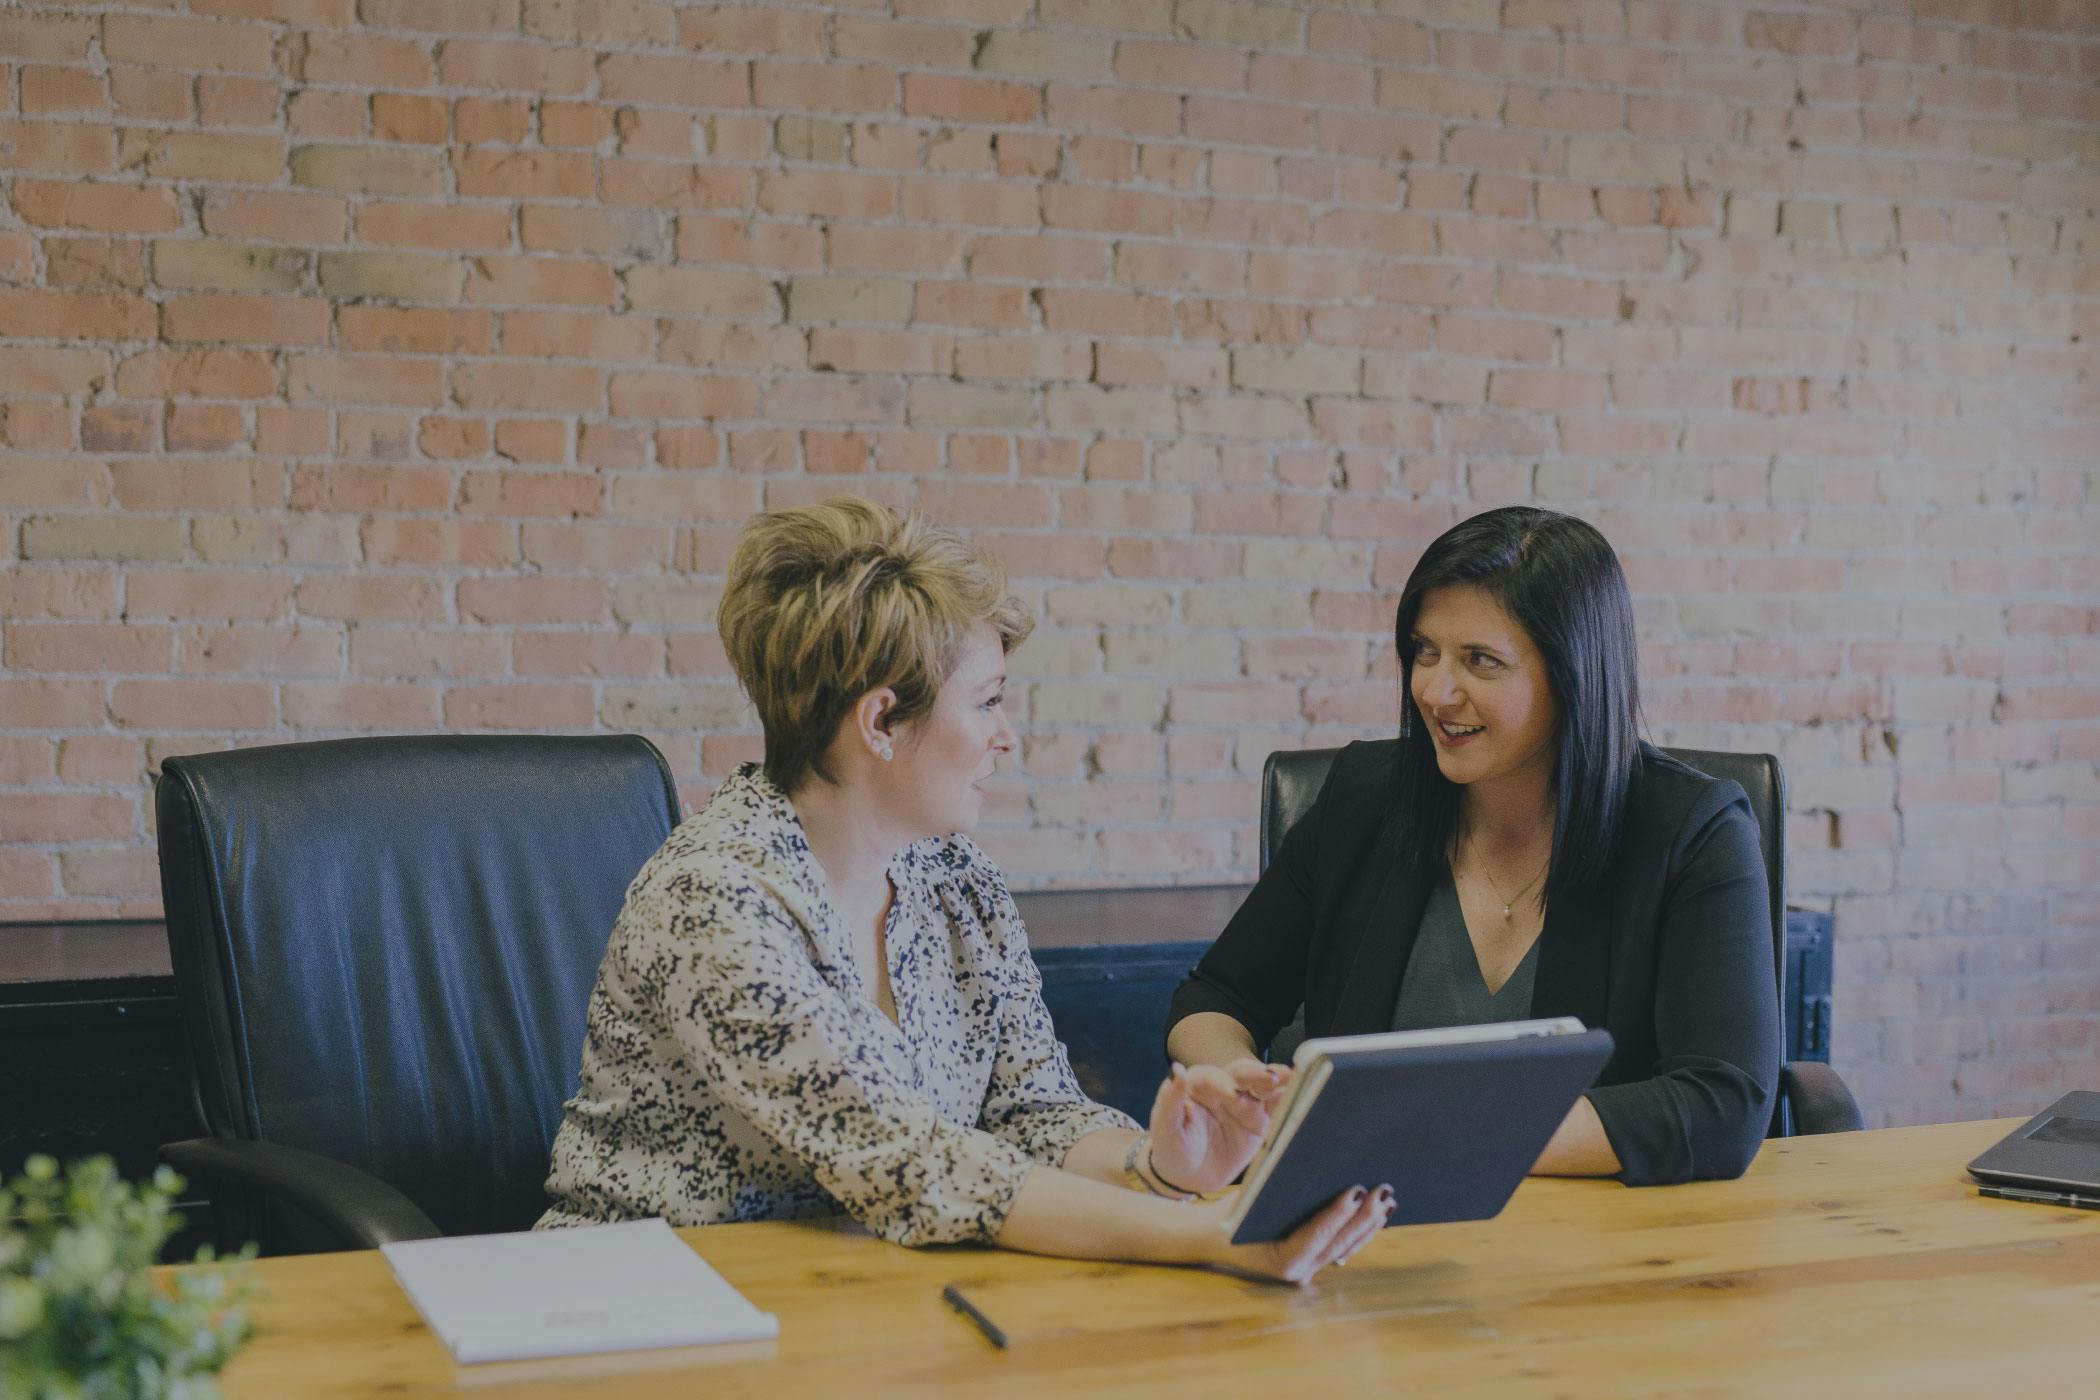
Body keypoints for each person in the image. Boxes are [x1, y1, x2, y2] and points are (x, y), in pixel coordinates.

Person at [540, 497, 1388, 1282]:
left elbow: (1033, 1110)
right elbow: (910, 1162)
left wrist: (1160, 1166)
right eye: (986, 703)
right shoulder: (715, 900)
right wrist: (1208, 1234)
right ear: (880, 722)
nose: (1007, 737)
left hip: (865, 1293)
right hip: (644, 1304)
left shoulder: (954, 877)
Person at [1166, 506, 1781, 1185]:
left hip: (1593, 1243)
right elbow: (1216, 997)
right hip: (1357, 1233)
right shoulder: (1366, 797)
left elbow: (1721, 1105)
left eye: (1480, 661)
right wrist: (1236, 1085)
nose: (1435, 690)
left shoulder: (1693, 832)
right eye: (1425, 652)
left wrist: (1417, 1133)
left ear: (1573, 674)